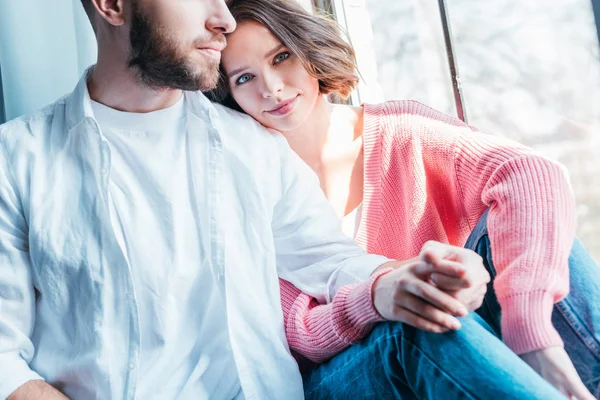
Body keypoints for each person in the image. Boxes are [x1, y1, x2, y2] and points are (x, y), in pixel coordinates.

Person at [0, 0, 513, 399]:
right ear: (112, 5)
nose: (222, 19)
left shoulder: (254, 147)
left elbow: (328, 260)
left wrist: (395, 280)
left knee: (434, 326)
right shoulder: (16, 162)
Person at [208, 0, 600, 399]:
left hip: (461, 341)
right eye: (243, 79)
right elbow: (301, 331)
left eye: (281, 56)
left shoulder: (402, 131)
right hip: (350, 370)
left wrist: (530, 330)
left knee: (532, 229)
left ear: (306, 47)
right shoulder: (245, 189)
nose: (271, 87)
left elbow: (531, 173)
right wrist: (381, 298)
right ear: (229, 100)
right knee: (419, 317)